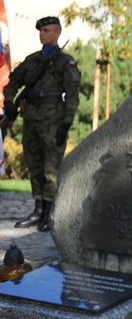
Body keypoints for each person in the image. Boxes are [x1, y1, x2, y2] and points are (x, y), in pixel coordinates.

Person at [4, 16, 80, 232]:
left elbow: (73, 96)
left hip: (53, 121)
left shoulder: (66, 62)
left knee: (50, 169)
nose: (42, 34)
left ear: (57, 33)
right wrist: (9, 103)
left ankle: (49, 212)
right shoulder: (32, 60)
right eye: (41, 30)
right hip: (31, 119)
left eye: (46, 30)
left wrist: (66, 124)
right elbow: (12, 82)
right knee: (34, 164)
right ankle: (38, 209)